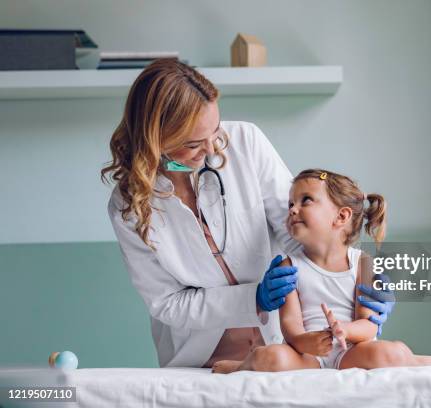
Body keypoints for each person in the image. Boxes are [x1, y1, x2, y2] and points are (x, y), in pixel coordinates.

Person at [101, 59, 394, 368]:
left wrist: (349, 282)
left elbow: (300, 233)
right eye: (193, 144)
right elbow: (168, 303)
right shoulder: (127, 206)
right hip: (200, 359)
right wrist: (254, 298)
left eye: (214, 131)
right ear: (155, 140)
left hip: (286, 346)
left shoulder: (245, 143)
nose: (213, 150)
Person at [212, 169, 431, 373]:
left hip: (352, 352)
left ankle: (414, 360)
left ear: (341, 216)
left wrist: (343, 330)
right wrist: (306, 342)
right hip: (309, 355)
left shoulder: (363, 264)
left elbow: (369, 325)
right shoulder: (288, 267)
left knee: (389, 352)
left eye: (305, 200)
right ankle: (241, 366)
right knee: (270, 356)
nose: (293, 209)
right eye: (290, 204)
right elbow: (291, 326)